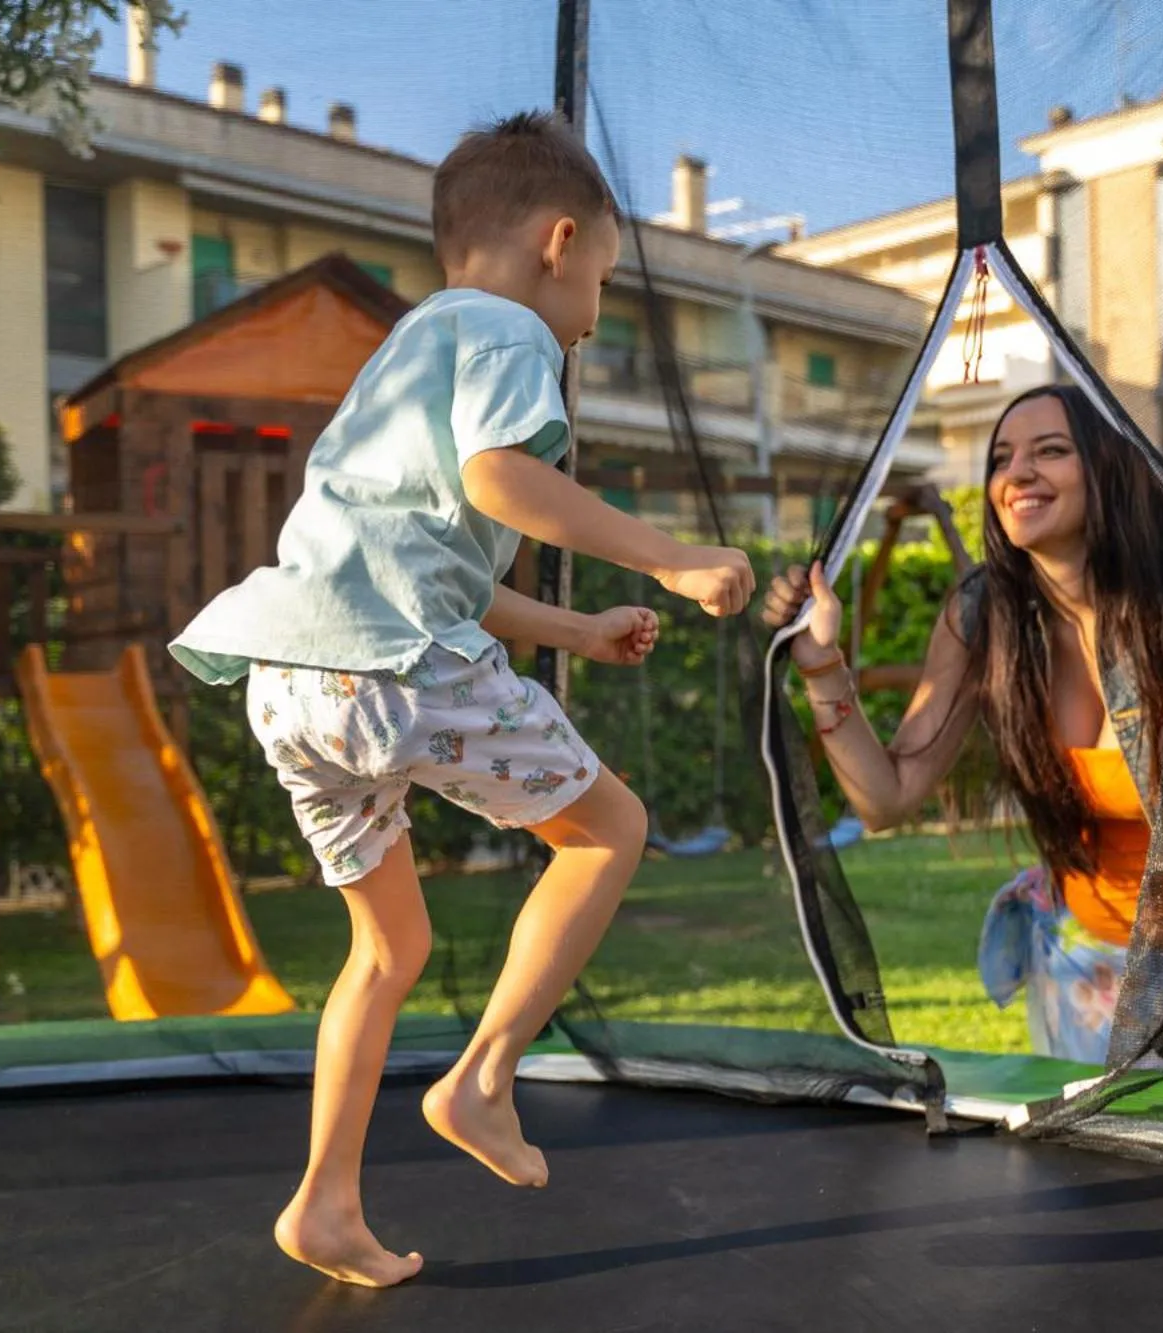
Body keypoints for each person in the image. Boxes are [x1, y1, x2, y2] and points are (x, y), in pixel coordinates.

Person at [170, 112, 755, 1287]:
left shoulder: (406, 356)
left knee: (388, 947)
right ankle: (483, 1078)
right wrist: (667, 560)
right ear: (557, 240)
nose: (595, 310)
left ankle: (325, 1204)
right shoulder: (503, 331)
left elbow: (438, 580)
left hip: (293, 677)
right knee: (611, 830)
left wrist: (576, 629)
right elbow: (501, 477)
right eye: (600, 278)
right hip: (384, 670)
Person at [763, 383, 1163, 1074]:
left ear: (1107, 472)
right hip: (1083, 940)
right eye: (1001, 458)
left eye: (1050, 451)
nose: (1017, 472)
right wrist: (820, 668)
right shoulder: (983, 615)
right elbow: (886, 797)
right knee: (1087, 1146)